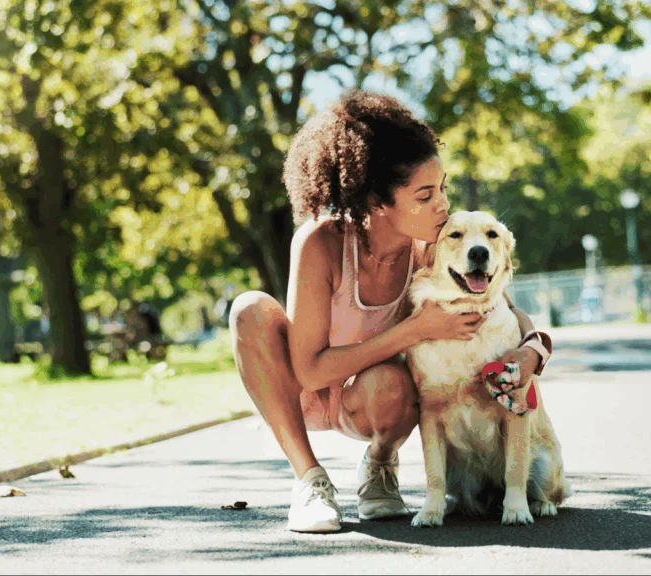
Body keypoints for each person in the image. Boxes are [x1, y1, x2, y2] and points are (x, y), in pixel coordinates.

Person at [228, 90, 553, 533]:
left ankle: (380, 466)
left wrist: (532, 354)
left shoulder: (436, 248)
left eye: (442, 188)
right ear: (377, 202)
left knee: (394, 379)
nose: (441, 205)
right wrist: (415, 329)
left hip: (375, 399)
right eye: (424, 196)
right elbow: (309, 372)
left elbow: (506, 309)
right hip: (303, 392)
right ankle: (310, 480)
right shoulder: (319, 243)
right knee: (249, 309)